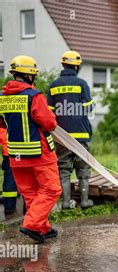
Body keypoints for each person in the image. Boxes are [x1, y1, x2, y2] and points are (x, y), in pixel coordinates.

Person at [0, 55, 62, 243]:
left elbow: (2, 124)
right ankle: (32, 224)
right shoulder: (34, 96)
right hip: (39, 154)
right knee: (52, 189)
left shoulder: (2, 98)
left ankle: (43, 228)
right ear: (29, 76)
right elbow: (50, 123)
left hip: (15, 155)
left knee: (31, 192)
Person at [47, 50, 95, 209]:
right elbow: (89, 110)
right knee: (83, 170)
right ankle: (85, 201)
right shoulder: (82, 84)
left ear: (63, 65)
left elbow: (49, 113)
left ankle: (66, 203)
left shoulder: (53, 86)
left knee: (64, 170)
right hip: (81, 136)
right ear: (77, 66)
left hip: (61, 137)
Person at [0, 127, 19, 217]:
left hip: (8, 151)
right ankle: (28, 210)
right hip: (20, 150)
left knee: (9, 180)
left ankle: (9, 207)